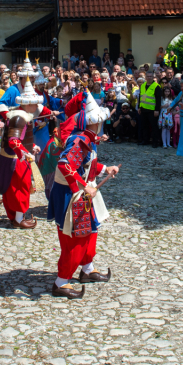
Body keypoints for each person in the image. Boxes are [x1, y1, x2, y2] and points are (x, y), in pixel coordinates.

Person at [46, 93, 119, 299]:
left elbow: (87, 166)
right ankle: (61, 281)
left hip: (79, 193)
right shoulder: (81, 140)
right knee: (76, 238)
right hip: (71, 195)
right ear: (94, 123)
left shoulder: (89, 139)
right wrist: (83, 186)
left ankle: (87, 269)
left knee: (91, 231)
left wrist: (106, 169)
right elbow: (65, 165)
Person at [0, 60, 47, 230]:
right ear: (26, 103)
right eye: (34, 104)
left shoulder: (23, 115)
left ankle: (16, 217)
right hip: (15, 160)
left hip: (15, 157)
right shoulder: (20, 117)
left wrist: (31, 148)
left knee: (16, 189)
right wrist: (26, 153)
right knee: (20, 189)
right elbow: (13, 141)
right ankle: (18, 219)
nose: (36, 107)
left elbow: (21, 140)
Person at [137, 72, 162, 147]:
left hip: (152, 110)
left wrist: (157, 110)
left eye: (151, 76)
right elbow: (142, 97)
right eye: (148, 76)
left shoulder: (157, 86)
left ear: (153, 77)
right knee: (144, 126)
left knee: (154, 127)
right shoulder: (143, 85)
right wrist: (139, 107)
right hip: (144, 109)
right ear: (145, 77)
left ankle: (155, 142)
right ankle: (145, 140)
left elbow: (158, 99)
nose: (149, 77)